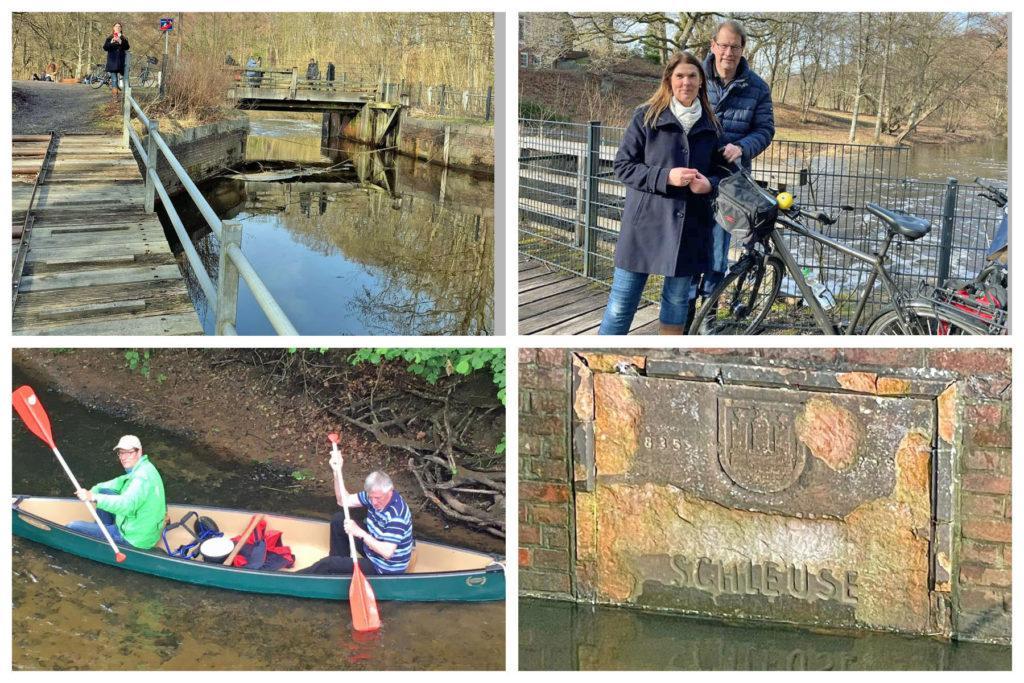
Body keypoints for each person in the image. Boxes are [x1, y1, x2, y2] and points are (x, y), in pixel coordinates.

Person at [598, 51, 724, 335]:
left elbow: (721, 173)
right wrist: (666, 176)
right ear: (669, 80)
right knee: (621, 305)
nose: (686, 82)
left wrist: (710, 185)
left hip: (689, 227)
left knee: (677, 303)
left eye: (693, 76)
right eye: (679, 76)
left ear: (701, 82)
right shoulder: (646, 116)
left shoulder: (712, 125)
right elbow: (623, 166)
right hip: (644, 227)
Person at [694, 19, 775, 310]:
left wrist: (741, 147)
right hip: (695, 174)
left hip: (731, 183)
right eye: (724, 45)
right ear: (713, 45)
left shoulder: (757, 88)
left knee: (718, 250)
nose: (729, 52)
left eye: (735, 47)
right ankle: (684, 308)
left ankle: (709, 312)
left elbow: (765, 130)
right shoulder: (695, 78)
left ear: (743, 50)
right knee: (689, 245)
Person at [300, 449, 414, 576]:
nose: (374, 502)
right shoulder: (373, 495)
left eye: (377, 498)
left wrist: (359, 533)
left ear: (390, 491)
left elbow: (387, 553)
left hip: (385, 567)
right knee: (339, 519)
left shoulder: (396, 515)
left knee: (327, 564)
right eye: (371, 497)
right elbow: (343, 501)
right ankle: (338, 572)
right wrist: (337, 472)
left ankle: (296, 578)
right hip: (372, 550)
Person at [67, 435, 166, 550]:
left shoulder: (141, 478)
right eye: (121, 453)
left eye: (129, 452)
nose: (124, 457)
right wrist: (94, 491)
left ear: (139, 452)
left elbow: (127, 504)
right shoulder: (145, 467)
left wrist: (93, 497)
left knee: (73, 526)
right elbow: (120, 482)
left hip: (134, 538)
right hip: (141, 527)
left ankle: (101, 538)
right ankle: (103, 532)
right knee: (103, 491)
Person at [102, 22, 130, 98]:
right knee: (114, 79)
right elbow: (105, 48)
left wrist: (120, 42)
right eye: (116, 26)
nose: (117, 27)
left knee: (126, 78)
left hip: (121, 61)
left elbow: (127, 47)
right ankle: (115, 96)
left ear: (121, 28)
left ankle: (127, 95)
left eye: (119, 26)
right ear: (113, 28)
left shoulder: (124, 38)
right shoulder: (109, 37)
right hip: (112, 61)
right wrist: (111, 42)